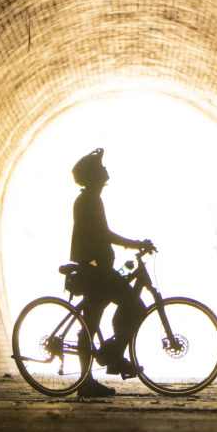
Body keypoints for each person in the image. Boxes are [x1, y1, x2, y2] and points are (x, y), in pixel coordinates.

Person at [68, 148, 154, 397]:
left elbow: (102, 236)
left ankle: (110, 359)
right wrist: (136, 244)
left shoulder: (91, 199)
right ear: (93, 175)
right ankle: (111, 360)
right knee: (132, 309)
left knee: (93, 321)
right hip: (96, 271)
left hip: (99, 268)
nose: (105, 170)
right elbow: (103, 235)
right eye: (100, 167)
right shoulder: (89, 201)